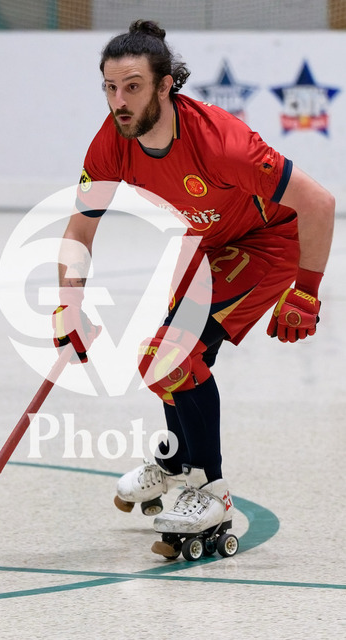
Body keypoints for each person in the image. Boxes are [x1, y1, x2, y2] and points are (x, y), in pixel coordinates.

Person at [52, 20, 335, 558]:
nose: (119, 102)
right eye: (110, 88)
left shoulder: (222, 144)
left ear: (165, 86)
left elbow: (318, 202)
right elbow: (79, 230)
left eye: (133, 86)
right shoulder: (113, 141)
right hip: (206, 242)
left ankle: (211, 491)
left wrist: (306, 290)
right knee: (168, 358)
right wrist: (69, 305)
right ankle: (179, 463)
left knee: (170, 354)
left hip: (269, 239)